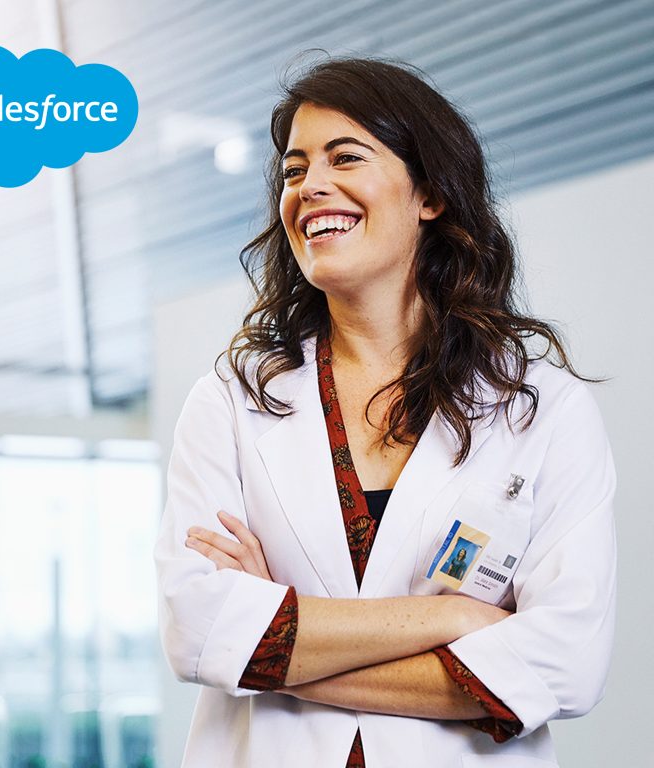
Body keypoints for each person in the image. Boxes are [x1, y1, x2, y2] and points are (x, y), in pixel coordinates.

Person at [154, 55, 616, 768]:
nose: (311, 187)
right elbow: (196, 629)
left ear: (428, 194)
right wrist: (451, 620)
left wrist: (275, 636)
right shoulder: (233, 401)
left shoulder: (542, 410)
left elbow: (566, 664)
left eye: (346, 157)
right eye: (294, 169)